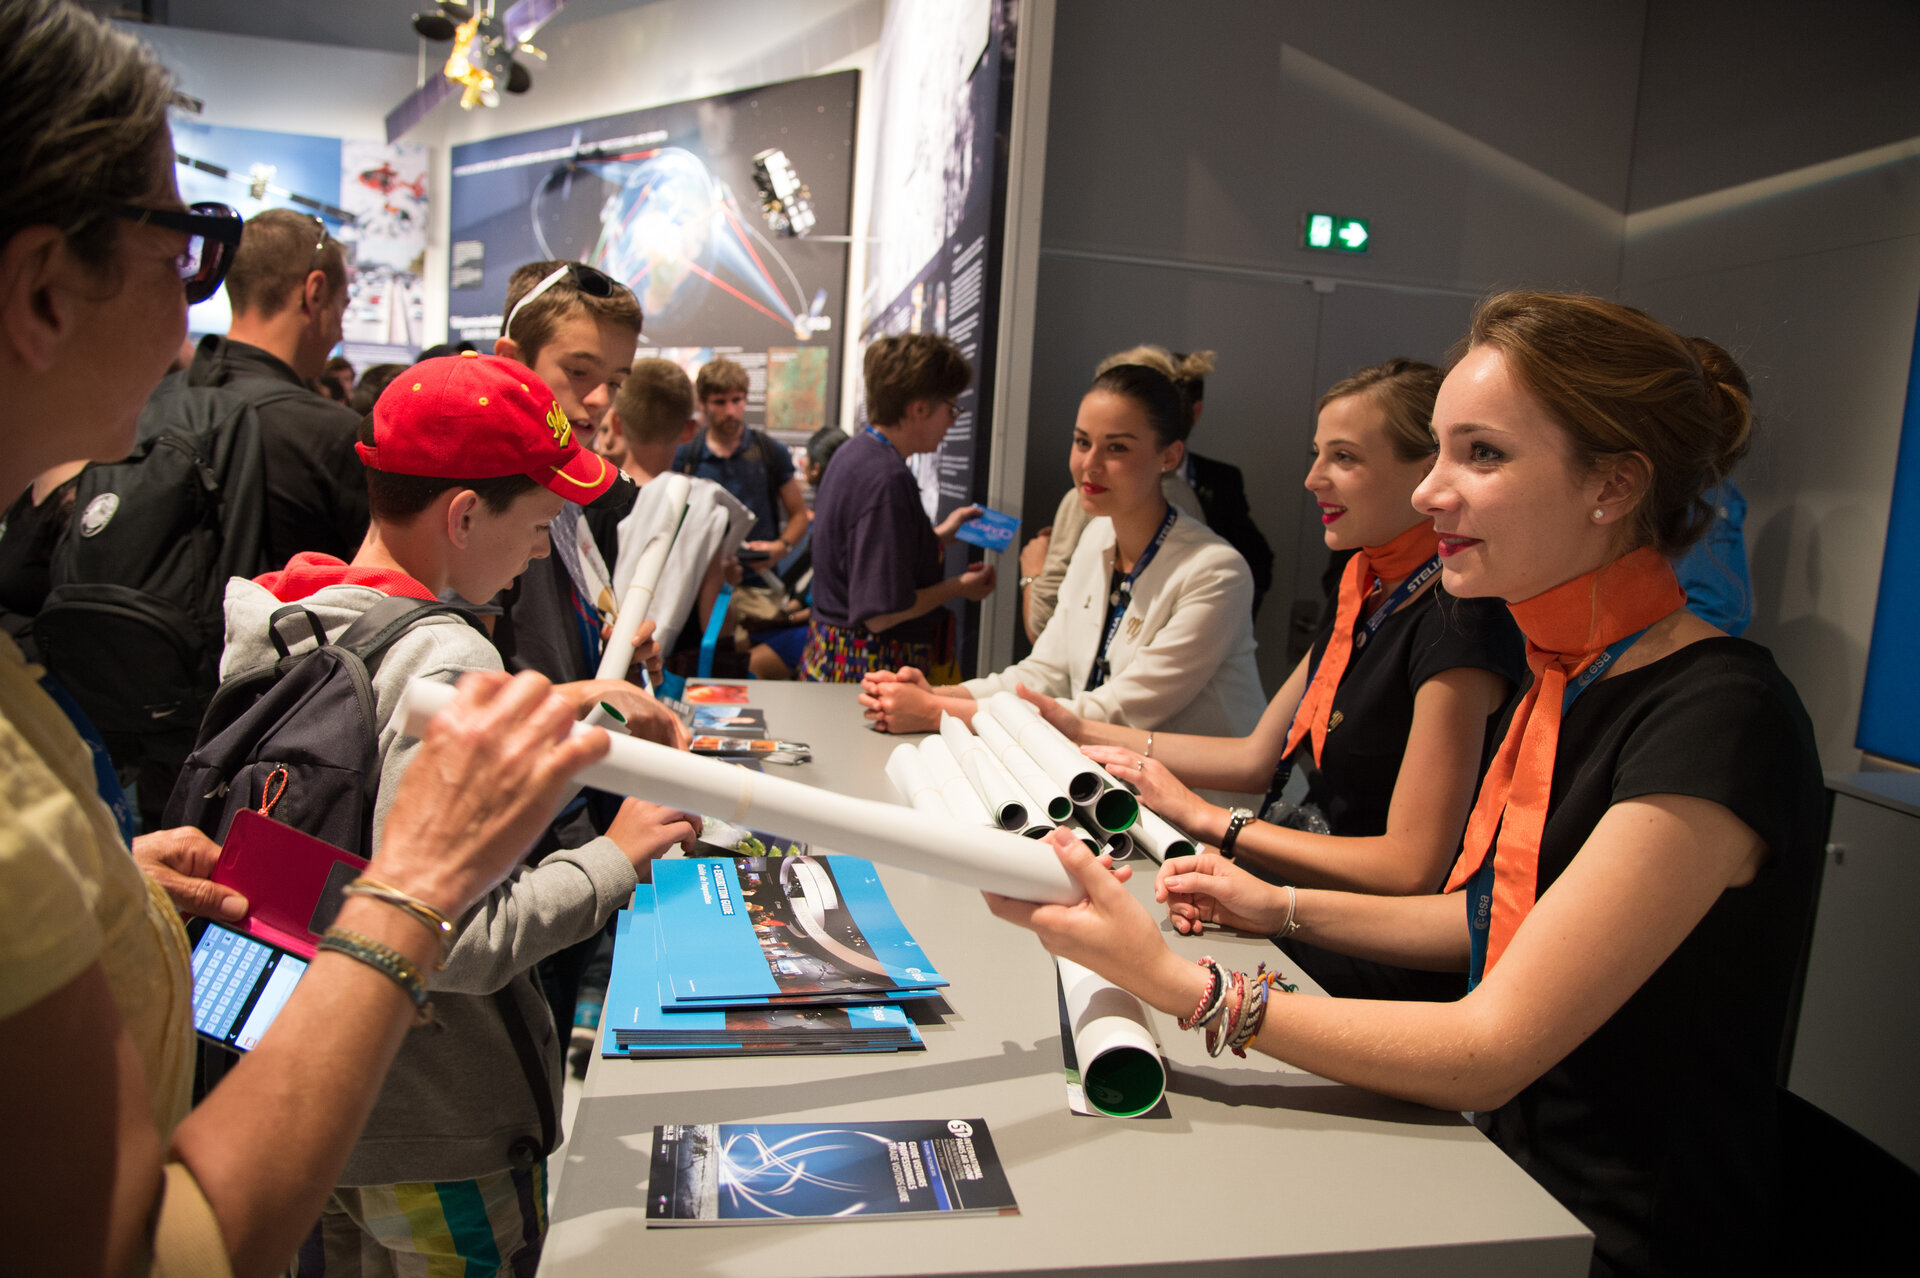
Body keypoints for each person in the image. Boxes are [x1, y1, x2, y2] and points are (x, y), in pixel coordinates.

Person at [987, 291, 1824, 1278]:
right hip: (1497, 1170)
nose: (1431, 494)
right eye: (1437, 453)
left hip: (1606, 1236)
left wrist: (1182, 986)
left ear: (1612, 487)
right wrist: (1278, 904)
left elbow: (1493, 1043)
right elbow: (1485, 915)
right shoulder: (1571, 675)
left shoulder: (1719, 720)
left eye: (1482, 455)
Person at [0, 5, 631, 1272]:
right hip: (422, 1126)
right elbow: (132, 1245)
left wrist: (114, 891)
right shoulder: (443, 654)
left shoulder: (271, 616)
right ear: (44, 288)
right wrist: (419, 890)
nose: (194, 332)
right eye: (186, 247)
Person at [214, 352, 697, 1274]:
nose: (538, 550)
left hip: (308, 1106)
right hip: (438, 1130)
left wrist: (567, 702)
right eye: (540, 523)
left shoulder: (291, 614)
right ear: (466, 513)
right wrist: (616, 857)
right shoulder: (447, 663)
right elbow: (451, 936)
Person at [1021, 360, 1523, 1000]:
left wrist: (1213, 822)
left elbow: (1410, 866)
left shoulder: (1459, 619)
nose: (1314, 479)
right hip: (1304, 902)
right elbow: (1263, 754)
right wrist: (1089, 735)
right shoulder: (1366, 585)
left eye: (1343, 458)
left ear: (1425, 475)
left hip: (1366, 955)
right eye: (1317, 455)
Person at [862, 363, 1263, 739]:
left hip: (1211, 804)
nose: (1090, 464)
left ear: (1169, 456)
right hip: (1117, 787)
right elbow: (1044, 671)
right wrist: (943, 693)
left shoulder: (1215, 572)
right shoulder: (1095, 539)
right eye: (1082, 442)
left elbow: (1116, 712)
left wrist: (937, 712)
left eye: (1117, 448)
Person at [801, 334, 993, 682]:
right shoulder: (886, 479)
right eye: (951, 409)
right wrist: (960, 586)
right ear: (919, 409)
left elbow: (864, 555)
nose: (952, 422)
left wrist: (939, 536)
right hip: (868, 667)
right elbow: (882, 614)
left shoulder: (855, 452)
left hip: (833, 658)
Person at [191, 207, 370, 566]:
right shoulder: (331, 434)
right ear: (315, 292)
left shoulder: (158, 404)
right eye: (342, 307)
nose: (340, 330)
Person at [672, 356, 810, 558]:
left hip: (758, 580)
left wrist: (781, 547)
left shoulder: (770, 451)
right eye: (719, 402)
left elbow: (799, 515)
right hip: (701, 580)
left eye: (736, 400)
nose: (730, 411)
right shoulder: (685, 456)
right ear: (702, 402)